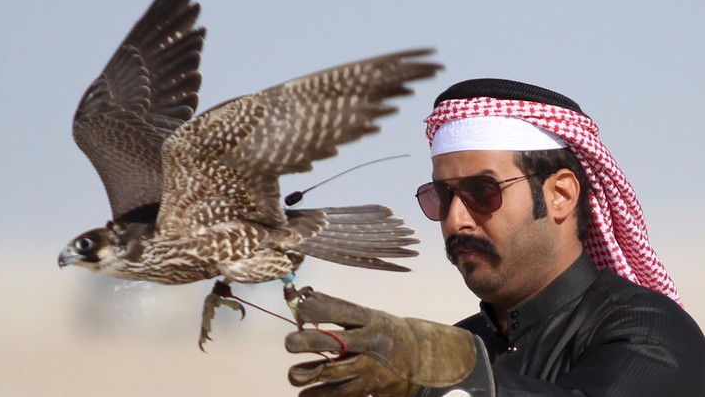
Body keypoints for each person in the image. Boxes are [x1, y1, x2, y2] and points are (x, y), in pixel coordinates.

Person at [284, 78, 705, 396]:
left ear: (560, 195)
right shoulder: (460, 345)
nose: (455, 219)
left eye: (482, 192)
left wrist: (442, 379)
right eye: (443, 196)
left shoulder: (653, 333)